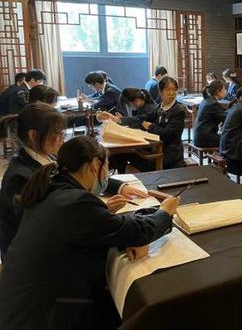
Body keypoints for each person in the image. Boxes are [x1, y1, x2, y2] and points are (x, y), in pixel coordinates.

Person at [0, 136, 178, 330]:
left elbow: (90, 229)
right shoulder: (76, 203)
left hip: (20, 305)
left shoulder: (51, 188)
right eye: (107, 168)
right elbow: (137, 231)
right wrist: (165, 212)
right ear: (94, 165)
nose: (106, 175)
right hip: (44, 316)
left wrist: (105, 216)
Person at [0, 103, 147, 260]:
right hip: (34, 256)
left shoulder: (47, 155)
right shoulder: (20, 177)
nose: (62, 139)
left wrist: (119, 187)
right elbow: (53, 227)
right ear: (33, 135)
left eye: (63, 132)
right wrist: (99, 214)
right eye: (57, 133)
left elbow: (75, 175)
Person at [100, 76, 186, 171]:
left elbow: (168, 134)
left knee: (125, 154)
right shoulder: (160, 107)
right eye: (168, 90)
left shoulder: (179, 110)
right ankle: (108, 174)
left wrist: (150, 126)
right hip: (156, 149)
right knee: (121, 154)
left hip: (168, 156)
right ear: (161, 92)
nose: (172, 93)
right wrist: (119, 120)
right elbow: (142, 118)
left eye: (174, 90)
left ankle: (108, 173)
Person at [193, 80, 227, 148]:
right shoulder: (213, 104)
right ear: (218, 91)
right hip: (206, 139)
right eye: (224, 89)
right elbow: (225, 118)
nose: (226, 91)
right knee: (232, 140)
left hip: (200, 137)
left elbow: (221, 114)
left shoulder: (206, 100)